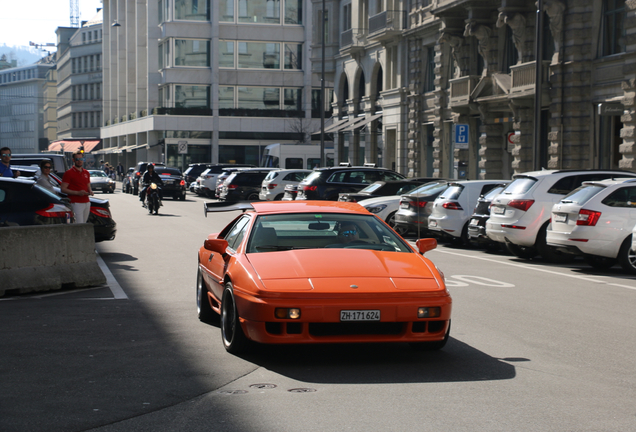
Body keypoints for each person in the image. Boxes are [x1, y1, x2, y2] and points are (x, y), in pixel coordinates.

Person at [61, 151, 94, 223]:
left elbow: (88, 185)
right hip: (76, 202)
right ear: (73, 160)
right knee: (78, 224)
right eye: (77, 159)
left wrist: (90, 191)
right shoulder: (68, 173)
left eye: (81, 159)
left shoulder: (86, 172)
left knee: (83, 224)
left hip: (86, 201)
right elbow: (63, 189)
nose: (79, 161)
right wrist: (77, 193)